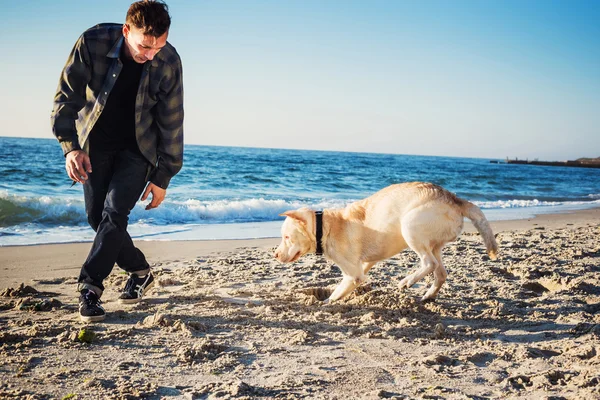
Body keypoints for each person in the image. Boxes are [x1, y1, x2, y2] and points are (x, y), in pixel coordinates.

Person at [51, 0, 184, 322]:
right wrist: (70, 147)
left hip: (140, 150)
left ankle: (90, 288)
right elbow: (66, 98)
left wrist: (163, 176)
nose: (150, 54)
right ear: (127, 31)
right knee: (97, 218)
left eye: (158, 46)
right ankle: (140, 271)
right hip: (94, 144)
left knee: (114, 212)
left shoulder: (168, 60)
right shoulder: (93, 41)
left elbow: (172, 122)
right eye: (144, 46)